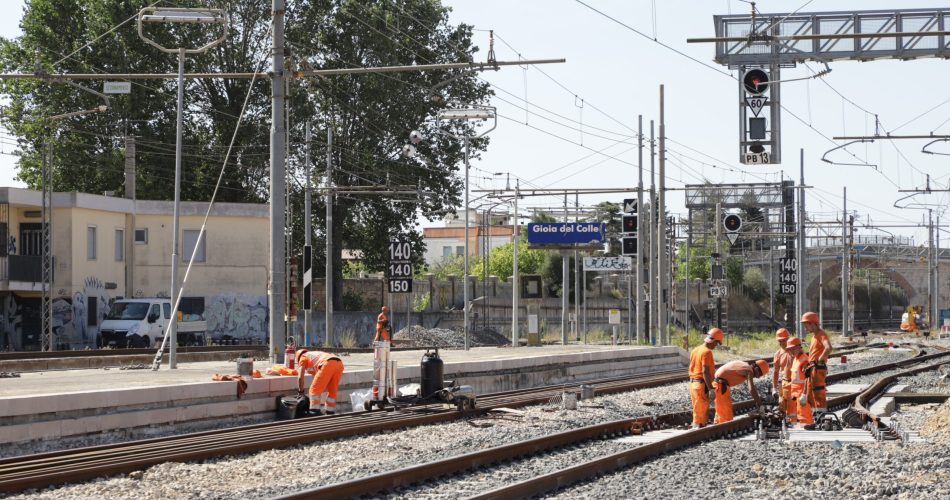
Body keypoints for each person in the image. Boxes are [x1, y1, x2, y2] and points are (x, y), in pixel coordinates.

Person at [712, 358, 769, 424]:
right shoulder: (749, 371)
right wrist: (760, 405)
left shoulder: (745, 365)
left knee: (721, 412)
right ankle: (721, 430)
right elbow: (751, 389)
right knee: (726, 417)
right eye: (759, 374)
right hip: (721, 385)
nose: (758, 377)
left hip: (719, 384)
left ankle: (717, 426)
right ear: (756, 369)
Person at [687, 328, 723, 428]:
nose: (716, 346)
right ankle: (698, 432)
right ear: (714, 341)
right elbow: (705, 371)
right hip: (701, 385)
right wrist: (710, 388)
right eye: (717, 343)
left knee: (697, 411)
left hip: (693, 384)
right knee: (701, 414)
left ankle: (697, 428)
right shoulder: (707, 352)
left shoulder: (695, 350)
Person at [296, 349, 344, 416]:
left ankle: (314, 412)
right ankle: (330, 412)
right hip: (339, 364)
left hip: (327, 363)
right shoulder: (314, 355)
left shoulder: (303, 357)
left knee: (314, 390)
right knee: (332, 390)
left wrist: (300, 391)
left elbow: (300, 376)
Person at [801, 311, 831, 415]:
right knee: (810, 394)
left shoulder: (821, 334)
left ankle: (822, 418)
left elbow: (828, 348)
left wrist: (820, 360)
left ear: (813, 323)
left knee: (818, 394)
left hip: (817, 368)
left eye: (806, 326)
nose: (805, 329)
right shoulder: (814, 336)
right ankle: (815, 418)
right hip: (813, 369)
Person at [785, 336, 815, 428]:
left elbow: (808, 378)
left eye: (792, 349)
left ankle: (807, 433)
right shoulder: (796, 359)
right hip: (796, 395)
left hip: (802, 394)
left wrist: (804, 394)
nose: (790, 351)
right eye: (789, 349)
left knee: (805, 417)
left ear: (798, 347)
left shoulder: (804, 360)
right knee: (797, 417)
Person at [771, 328, 792, 415]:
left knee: (794, 407)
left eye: (784, 340)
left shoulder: (794, 351)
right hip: (784, 383)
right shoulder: (778, 354)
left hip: (796, 384)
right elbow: (775, 372)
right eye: (780, 341)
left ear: (788, 339)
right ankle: (785, 422)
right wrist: (774, 389)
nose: (782, 343)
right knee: (782, 406)